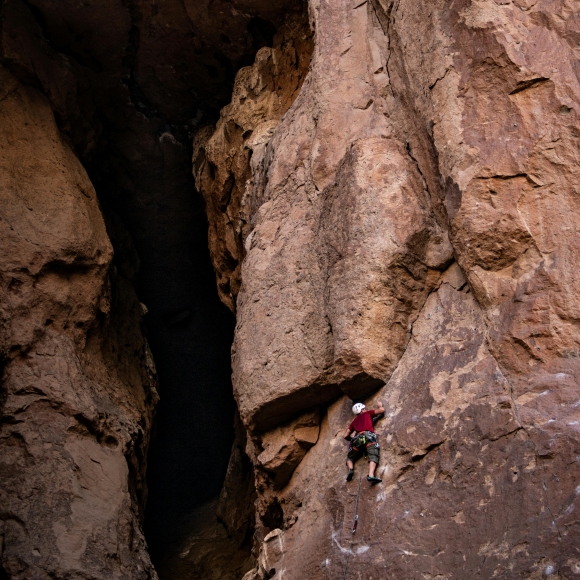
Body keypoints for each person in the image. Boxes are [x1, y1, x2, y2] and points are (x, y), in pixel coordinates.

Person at [343, 401, 385, 484]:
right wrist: (380, 405)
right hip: (368, 436)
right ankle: (371, 475)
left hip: (357, 439)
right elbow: (381, 410)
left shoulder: (354, 422)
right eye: (364, 409)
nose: (365, 410)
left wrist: (351, 439)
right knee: (373, 455)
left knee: (350, 458)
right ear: (362, 410)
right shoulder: (367, 414)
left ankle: (351, 470)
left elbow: (345, 435)